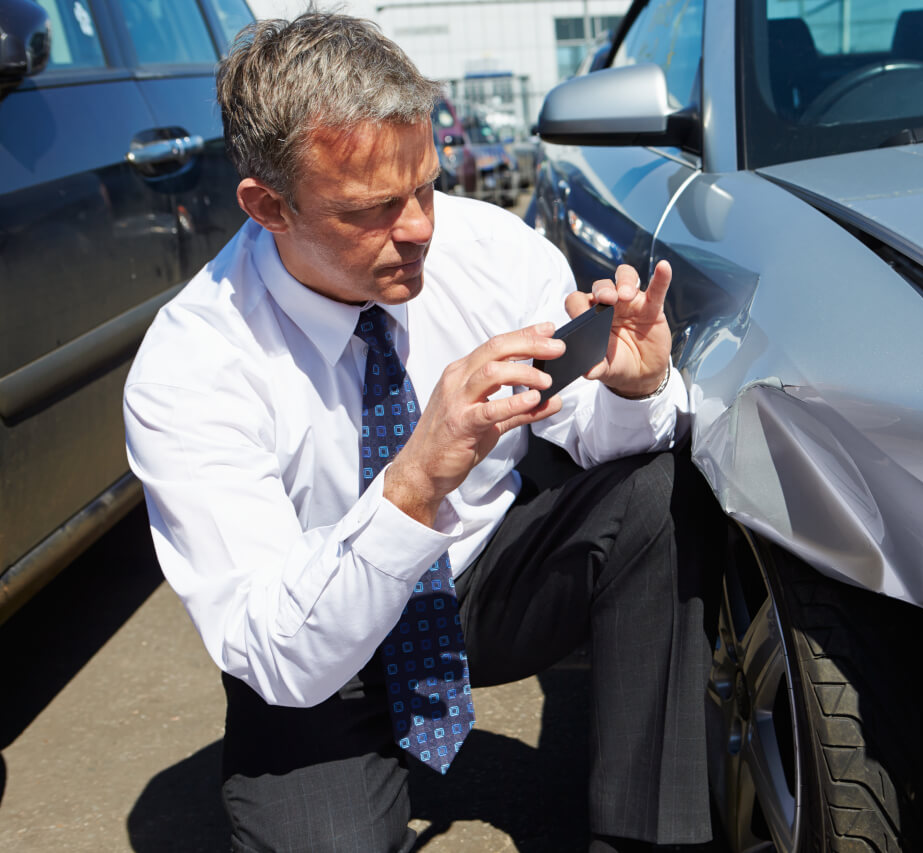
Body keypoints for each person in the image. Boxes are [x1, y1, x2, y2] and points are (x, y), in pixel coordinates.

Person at [123, 11, 719, 853]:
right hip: (321, 653)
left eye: (426, 186)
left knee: (659, 492)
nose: (420, 229)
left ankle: (647, 837)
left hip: (479, 586)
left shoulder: (489, 251)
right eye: (371, 209)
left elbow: (595, 436)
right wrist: (412, 480)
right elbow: (275, 648)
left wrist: (634, 389)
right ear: (267, 206)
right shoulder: (193, 366)